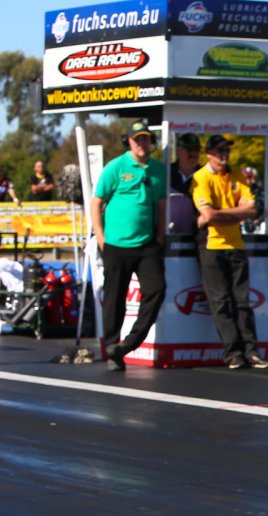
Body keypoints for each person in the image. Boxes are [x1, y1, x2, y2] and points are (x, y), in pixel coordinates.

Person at [89, 120, 166, 371]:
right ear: (129, 141)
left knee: (156, 290)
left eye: (146, 139)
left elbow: (161, 204)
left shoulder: (157, 169)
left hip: (146, 244)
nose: (142, 143)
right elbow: (97, 202)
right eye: (138, 139)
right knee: (115, 298)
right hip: (116, 244)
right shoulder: (116, 167)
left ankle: (131, 343)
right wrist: (100, 238)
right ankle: (112, 347)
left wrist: (160, 235)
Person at [191, 134, 268, 369]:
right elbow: (209, 215)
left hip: (236, 244)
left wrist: (221, 215)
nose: (225, 155)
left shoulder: (237, 175)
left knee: (243, 301)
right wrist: (236, 212)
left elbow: (252, 209)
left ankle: (252, 351)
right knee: (221, 302)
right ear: (209, 155)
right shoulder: (201, 177)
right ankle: (233, 353)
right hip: (212, 245)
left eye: (227, 151)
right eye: (220, 151)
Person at [167, 132, 201, 236]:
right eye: (189, 150)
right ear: (178, 151)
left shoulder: (205, 174)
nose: (194, 154)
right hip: (170, 237)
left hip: (198, 239)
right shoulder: (167, 172)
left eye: (197, 150)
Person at [241, 166, 265, 233]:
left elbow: (264, 207)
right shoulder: (237, 190)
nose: (248, 180)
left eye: (250, 177)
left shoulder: (259, 190)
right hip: (239, 226)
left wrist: (258, 220)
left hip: (255, 225)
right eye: (245, 177)